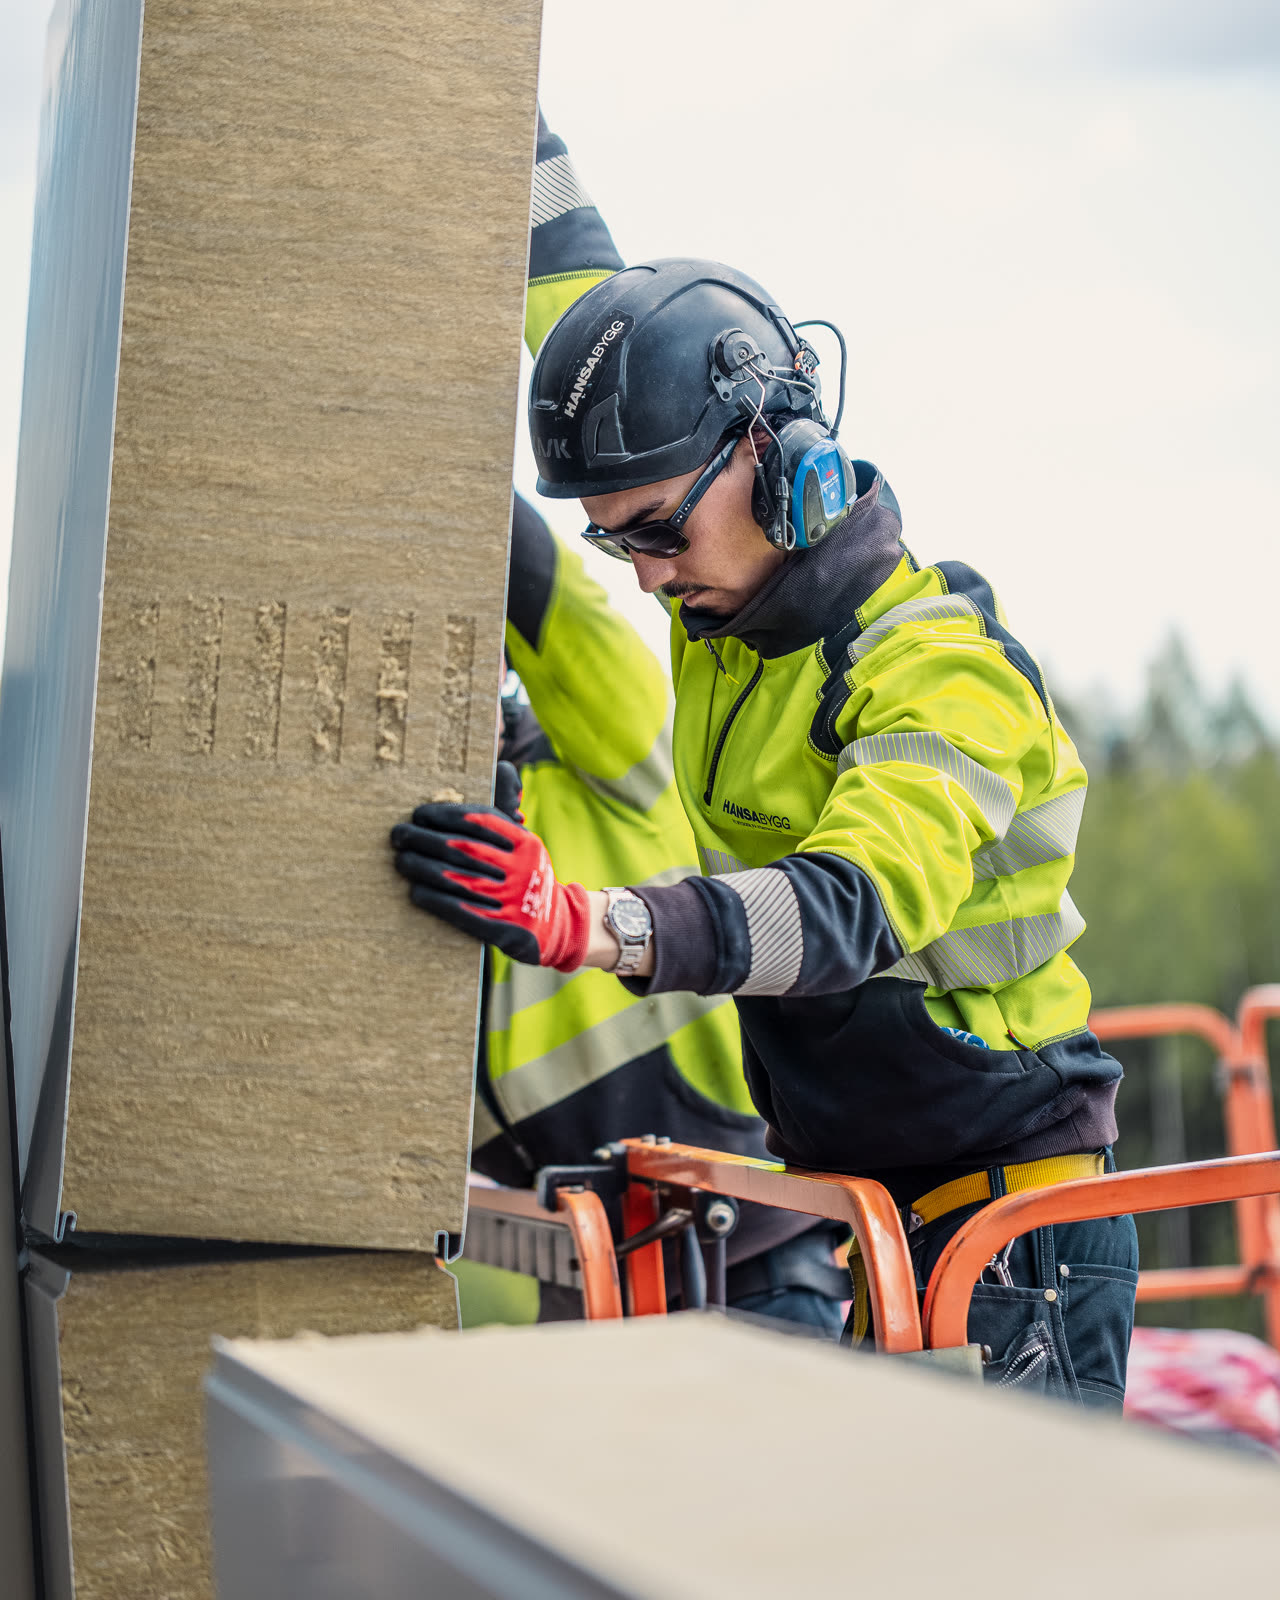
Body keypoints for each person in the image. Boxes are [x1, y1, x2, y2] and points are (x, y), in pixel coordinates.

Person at [393, 233, 1139, 1403]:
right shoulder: (731, 617)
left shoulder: (939, 670)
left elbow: (845, 909)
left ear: (774, 456)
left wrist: (593, 924)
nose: (641, 577)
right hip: (878, 1218)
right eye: (608, 537)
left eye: (653, 532)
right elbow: (595, 307)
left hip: (1011, 1243)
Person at [399, 117, 850, 1332]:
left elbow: (617, 364)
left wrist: (380, 446)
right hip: (581, 1261)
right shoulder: (433, 836)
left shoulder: (606, 729)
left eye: (651, 534)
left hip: (737, 1256)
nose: (645, 571)